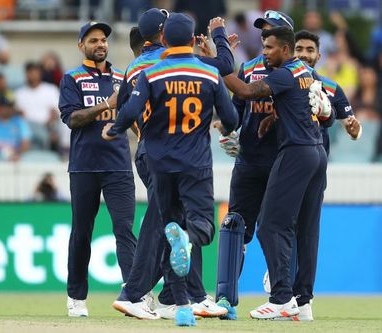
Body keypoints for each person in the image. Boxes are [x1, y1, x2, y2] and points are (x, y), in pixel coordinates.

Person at [103, 13, 238, 327]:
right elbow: (225, 72)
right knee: (175, 224)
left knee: (168, 222)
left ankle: (174, 297)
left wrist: (120, 129)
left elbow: (127, 106)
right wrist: (218, 37)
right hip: (191, 157)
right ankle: (142, 294)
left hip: (155, 152)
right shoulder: (197, 69)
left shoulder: (141, 69)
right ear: (164, 36)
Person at [223, 26, 327, 320]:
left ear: (285, 49)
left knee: (269, 225)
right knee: (306, 230)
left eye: (268, 47)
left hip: (296, 151)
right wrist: (274, 116)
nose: (264, 52)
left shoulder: (283, 73)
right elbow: (306, 106)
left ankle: (281, 297)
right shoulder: (304, 73)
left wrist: (219, 60)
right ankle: (302, 303)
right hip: (316, 151)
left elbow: (244, 90)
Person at [58, 22, 137, 318]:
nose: (101, 44)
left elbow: (134, 117)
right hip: (84, 166)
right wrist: (107, 104)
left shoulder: (122, 77)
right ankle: (76, 297)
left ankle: (134, 293)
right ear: (82, 45)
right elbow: (72, 119)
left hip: (118, 165)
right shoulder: (72, 78)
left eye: (103, 40)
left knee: (124, 230)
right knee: (82, 233)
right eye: (93, 40)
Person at [294, 29, 361, 153]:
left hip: (318, 160)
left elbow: (351, 125)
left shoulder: (332, 87)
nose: (304, 54)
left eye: (310, 50)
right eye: (299, 49)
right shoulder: (280, 83)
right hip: (287, 158)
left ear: (318, 56)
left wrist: (355, 132)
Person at [15, 61, 62, 151]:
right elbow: (19, 115)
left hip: (47, 128)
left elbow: (55, 112)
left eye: (34, 72)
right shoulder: (19, 93)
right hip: (26, 129)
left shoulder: (51, 90)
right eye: (29, 72)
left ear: (40, 73)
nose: (32, 75)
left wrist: (46, 126)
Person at [0, 95, 30, 160]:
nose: (8, 109)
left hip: (16, 158)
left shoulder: (20, 123)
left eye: (10, 106)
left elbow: (25, 145)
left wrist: (14, 153)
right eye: (5, 106)